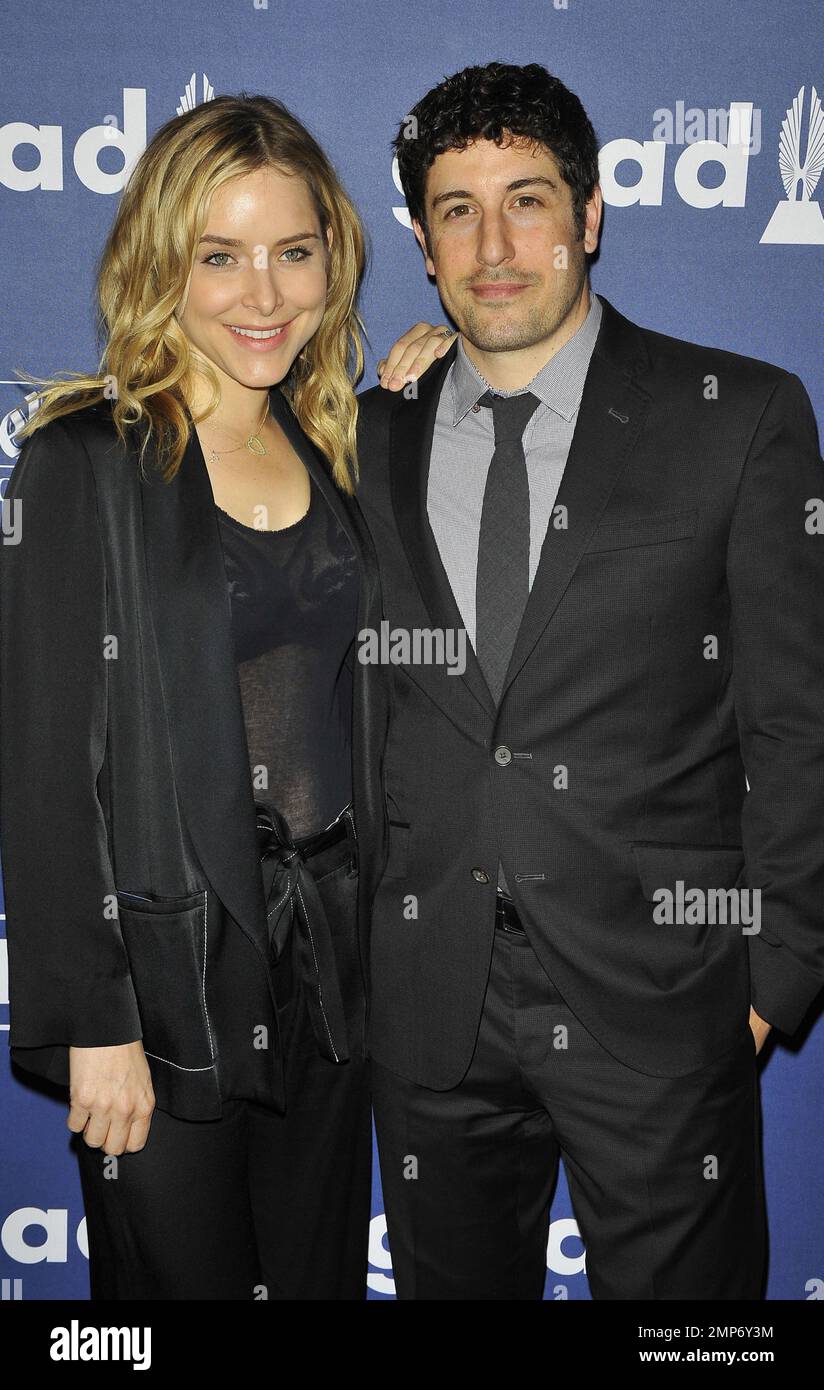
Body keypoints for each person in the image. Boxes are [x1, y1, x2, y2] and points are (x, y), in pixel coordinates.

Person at [354, 61, 824, 1299]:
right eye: (456, 210)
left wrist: (774, 969)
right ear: (420, 241)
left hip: (664, 996)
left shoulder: (738, 415)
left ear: (591, 214)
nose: (494, 244)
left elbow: (794, 714)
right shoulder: (370, 432)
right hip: (431, 1002)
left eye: (526, 199)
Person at [0, 92, 446, 1301]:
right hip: (164, 988)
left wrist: (449, 365)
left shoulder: (335, 444)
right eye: (221, 256)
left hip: (329, 973)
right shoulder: (83, 463)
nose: (264, 295)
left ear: (330, 259)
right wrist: (94, 1020)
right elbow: (45, 775)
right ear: (162, 265)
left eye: (292, 253)